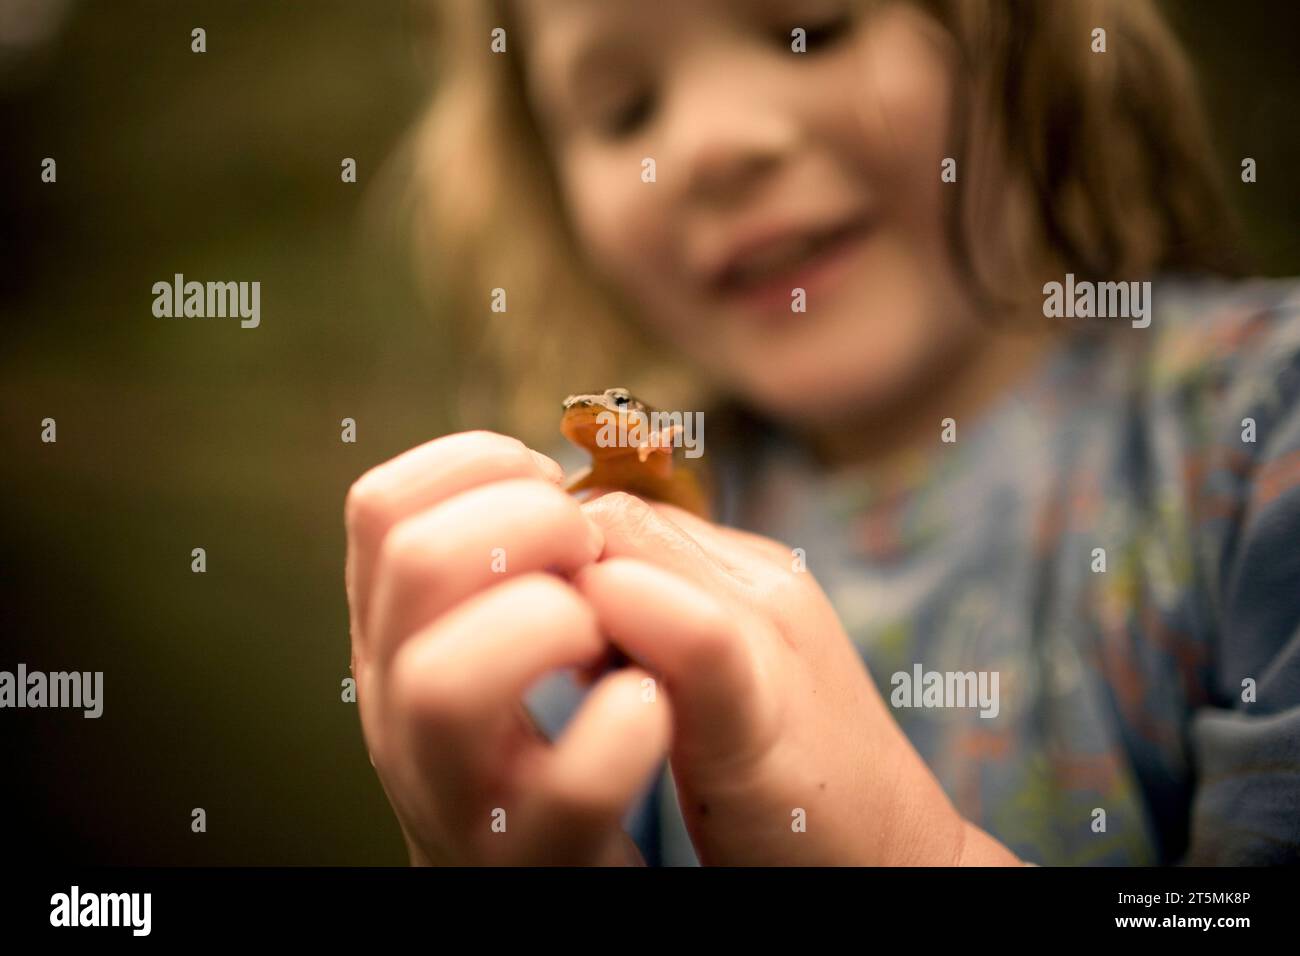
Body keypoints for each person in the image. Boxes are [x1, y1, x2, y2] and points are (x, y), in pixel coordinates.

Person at [343, 0, 1300, 865]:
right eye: (625, 109)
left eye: (818, 25)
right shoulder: (578, 565)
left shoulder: (1261, 430)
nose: (709, 145)